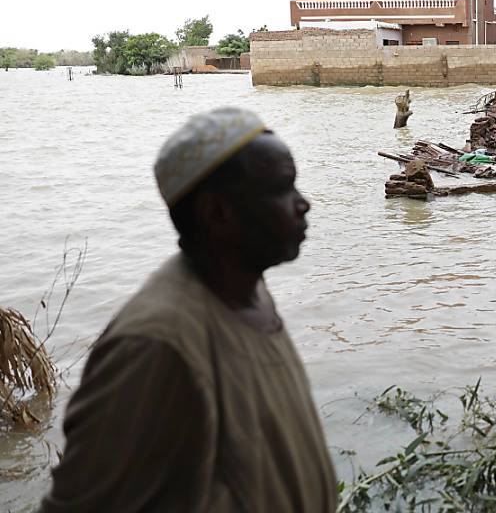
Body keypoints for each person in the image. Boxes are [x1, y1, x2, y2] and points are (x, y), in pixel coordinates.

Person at [40, 108, 336, 512]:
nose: (304, 204)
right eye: (282, 189)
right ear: (217, 214)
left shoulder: (247, 288)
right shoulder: (156, 345)